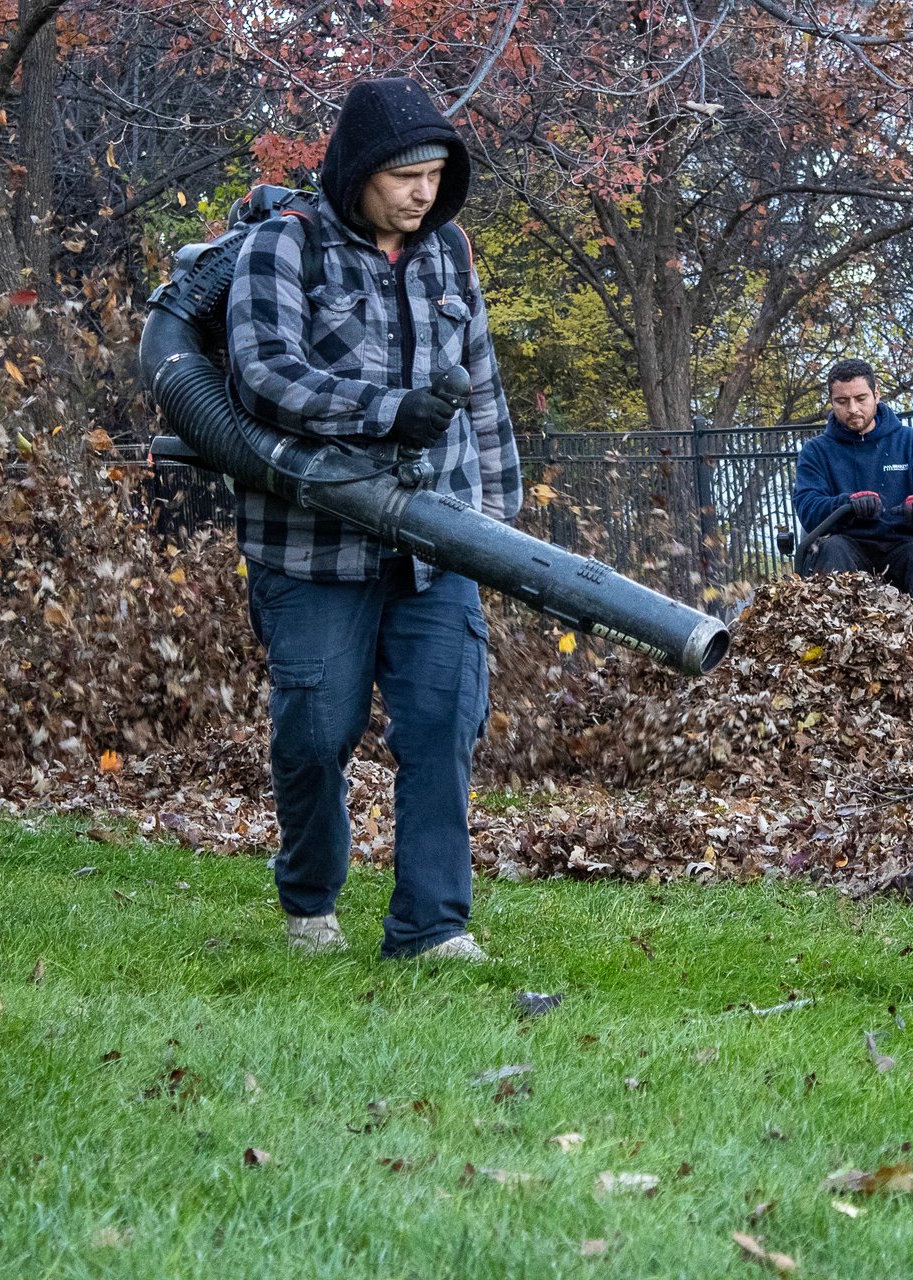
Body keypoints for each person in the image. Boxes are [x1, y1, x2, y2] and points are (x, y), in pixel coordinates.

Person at [227, 76, 520, 962]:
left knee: (443, 722)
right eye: (404, 176)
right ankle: (310, 899)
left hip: (439, 545)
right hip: (315, 545)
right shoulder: (284, 249)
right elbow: (261, 373)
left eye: (434, 174)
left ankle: (432, 928)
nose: (423, 192)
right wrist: (384, 409)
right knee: (318, 731)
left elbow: (485, 396)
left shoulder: (449, 252)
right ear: (357, 172)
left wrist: (497, 532)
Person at [791, 357, 913, 607]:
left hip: (903, 544)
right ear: (831, 402)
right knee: (832, 550)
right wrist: (846, 505)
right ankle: (836, 640)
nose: (853, 409)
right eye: (842, 401)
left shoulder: (910, 442)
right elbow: (808, 506)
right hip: (847, 545)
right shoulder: (816, 452)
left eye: (860, 398)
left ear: (876, 394)